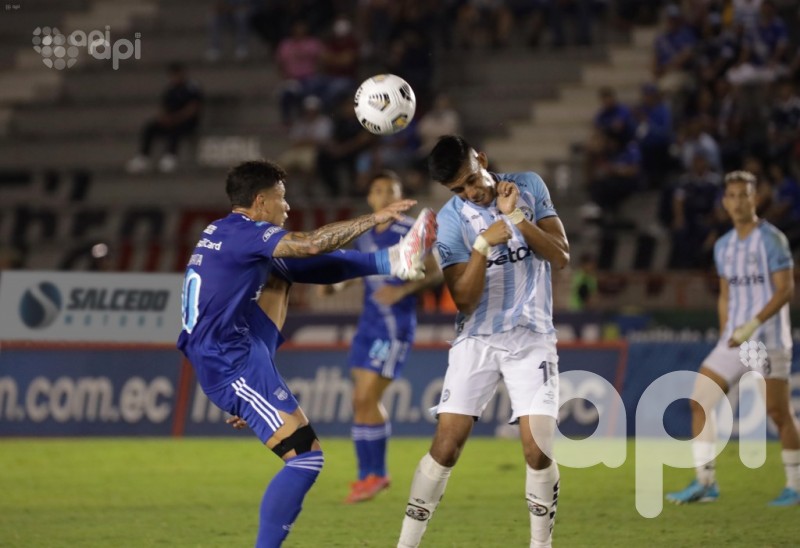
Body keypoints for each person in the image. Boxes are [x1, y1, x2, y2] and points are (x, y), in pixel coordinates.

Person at [177, 160, 437, 547]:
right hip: (230, 362)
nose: (287, 206)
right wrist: (373, 219)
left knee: (286, 268)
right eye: (282, 199)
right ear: (261, 202)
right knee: (305, 458)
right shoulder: (247, 233)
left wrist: (389, 260)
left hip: (238, 352)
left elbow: (313, 264)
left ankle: (393, 259)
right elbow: (313, 243)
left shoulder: (222, 231)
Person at [397, 135, 570, 548]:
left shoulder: (528, 186)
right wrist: (481, 245)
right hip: (478, 339)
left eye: (472, 180)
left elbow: (561, 256)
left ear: (482, 160)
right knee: (446, 446)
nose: (470, 193)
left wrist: (519, 221)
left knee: (538, 448)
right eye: (458, 189)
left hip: (532, 336)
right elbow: (465, 299)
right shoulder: (452, 220)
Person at [666, 170, 799, 507]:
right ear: (725, 202)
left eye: (745, 195)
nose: (738, 202)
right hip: (734, 340)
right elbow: (725, 294)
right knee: (699, 401)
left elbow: (786, 290)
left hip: (767, 337)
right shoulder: (723, 245)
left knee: (778, 413)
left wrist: (752, 324)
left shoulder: (772, 239)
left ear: (756, 199)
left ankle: (795, 486)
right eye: (733, 196)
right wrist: (727, 328)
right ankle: (706, 483)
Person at [320, 171, 443, 504]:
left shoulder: (408, 232)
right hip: (368, 325)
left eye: (391, 190)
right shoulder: (365, 236)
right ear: (370, 199)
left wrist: (404, 291)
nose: (384, 195)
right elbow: (362, 272)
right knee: (360, 400)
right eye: (378, 190)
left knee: (366, 397)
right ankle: (367, 476)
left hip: (393, 326)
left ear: (400, 196)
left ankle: (377, 474)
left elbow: (435, 273)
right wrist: (338, 285)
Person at [126, 62, 203, 174]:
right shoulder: (170, 90)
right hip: (171, 119)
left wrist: (176, 118)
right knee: (150, 127)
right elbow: (164, 107)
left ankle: (171, 156)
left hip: (187, 122)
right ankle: (143, 157)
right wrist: (163, 118)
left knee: (177, 127)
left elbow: (193, 109)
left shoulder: (192, 88)